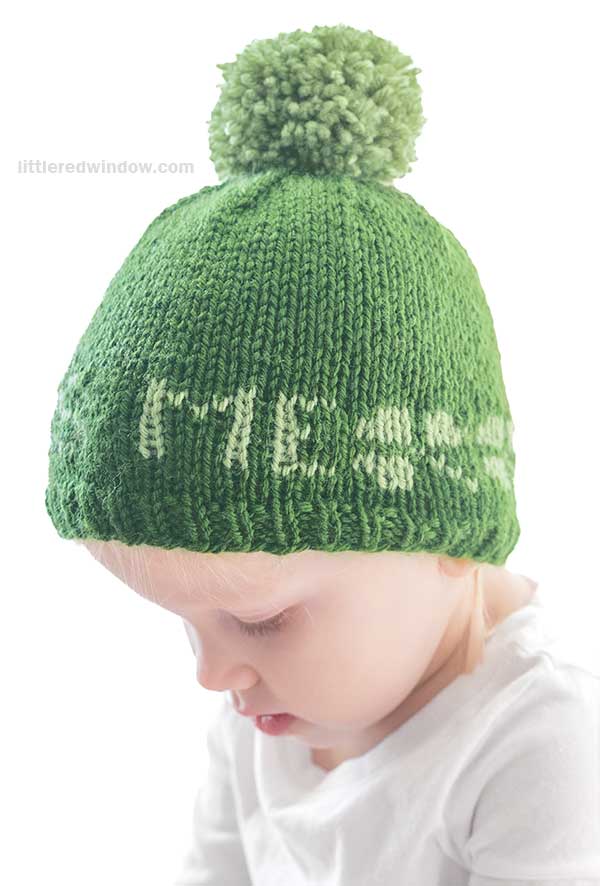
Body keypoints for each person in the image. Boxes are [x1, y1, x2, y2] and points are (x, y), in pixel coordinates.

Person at [44, 23, 600, 885]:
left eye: (259, 621)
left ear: (447, 537)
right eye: (185, 627)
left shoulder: (537, 743)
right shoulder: (267, 711)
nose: (213, 674)